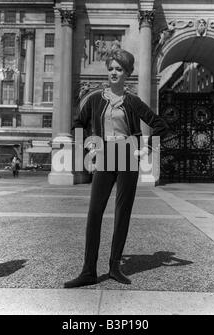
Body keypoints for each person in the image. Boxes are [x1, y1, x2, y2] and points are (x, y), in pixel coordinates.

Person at [64, 48, 169, 288]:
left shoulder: (132, 101)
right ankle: (89, 270)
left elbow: (160, 125)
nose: (113, 72)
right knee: (94, 212)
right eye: (111, 68)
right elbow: (78, 124)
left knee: (122, 212)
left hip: (127, 154)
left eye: (119, 69)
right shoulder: (95, 99)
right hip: (104, 153)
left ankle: (114, 267)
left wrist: (146, 149)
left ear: (127, 73)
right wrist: (88, 147)